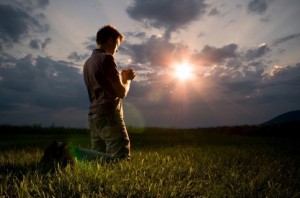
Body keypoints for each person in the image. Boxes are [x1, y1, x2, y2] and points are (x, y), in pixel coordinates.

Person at [80, 25, 136, 163]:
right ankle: (66, 152)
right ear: (111, 40)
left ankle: (69, 154)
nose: (117, 49)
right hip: (108, 114)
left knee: (98, 161)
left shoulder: (87, 63)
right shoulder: (107, 58)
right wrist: (127, 80)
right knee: (121, 160)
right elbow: (121, 93)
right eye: (117, 44)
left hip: (94, 116)